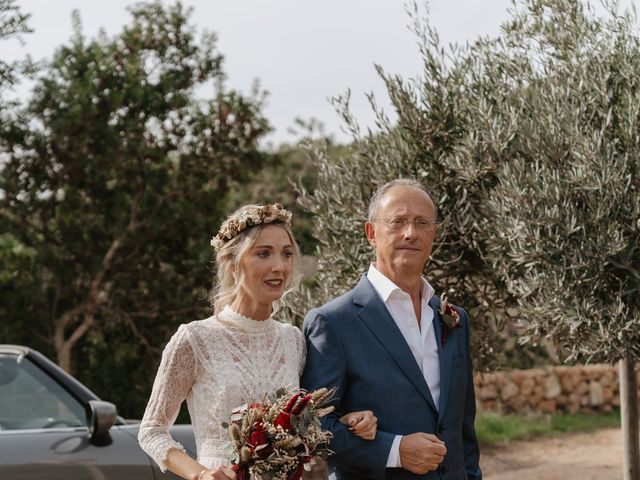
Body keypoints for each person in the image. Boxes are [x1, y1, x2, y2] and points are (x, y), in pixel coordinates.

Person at [138, 203, 376, 480]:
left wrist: (350, 422)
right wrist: (200, 474)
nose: (279, 266)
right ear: (233, 261)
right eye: (263, 253)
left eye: (286, 254)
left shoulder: (293, 340)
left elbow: (305, 426)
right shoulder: (195, 339)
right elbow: (151, 430)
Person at [301, 179, 482, 480]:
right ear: (371, 233)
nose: (410, 233)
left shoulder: (455, 320)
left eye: (421, 223)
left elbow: (463, 429)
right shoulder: (332, 322)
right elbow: (311, 427)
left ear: (433, 234)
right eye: (397, 222)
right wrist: (394, 450)